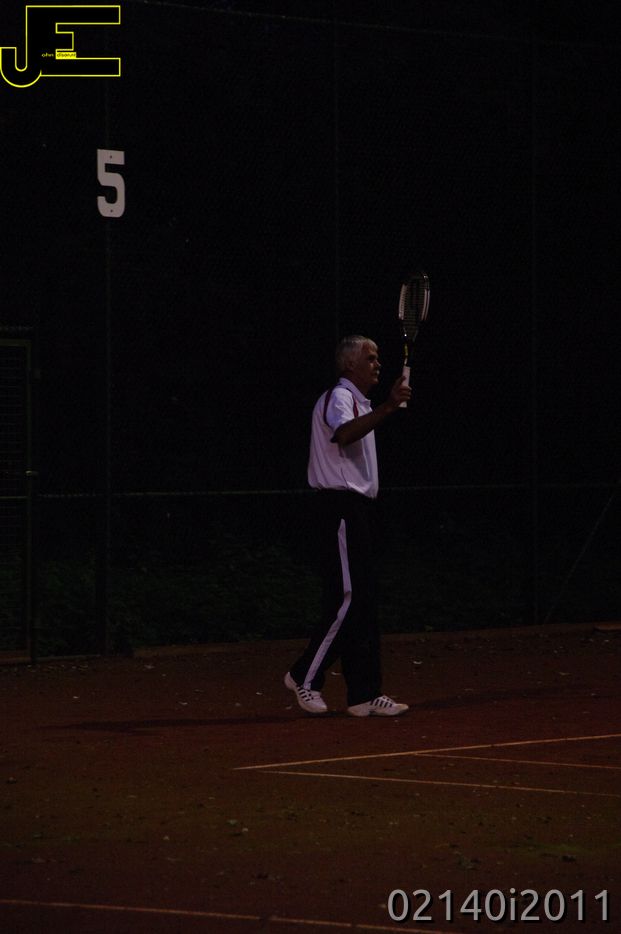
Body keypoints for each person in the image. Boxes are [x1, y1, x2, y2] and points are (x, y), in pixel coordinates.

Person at [285, 335, 411, 717]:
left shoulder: (360, 403)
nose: (377, 364)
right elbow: (343, 434)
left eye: (377, 358)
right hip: (338, 506)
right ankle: (304, 676)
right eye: (370, 358)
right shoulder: (339, 397)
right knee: (348, 598)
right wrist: (389, 406)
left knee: (365, 603)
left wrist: (384, 406)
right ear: (349, 365)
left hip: (357, 508)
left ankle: (363, 694)